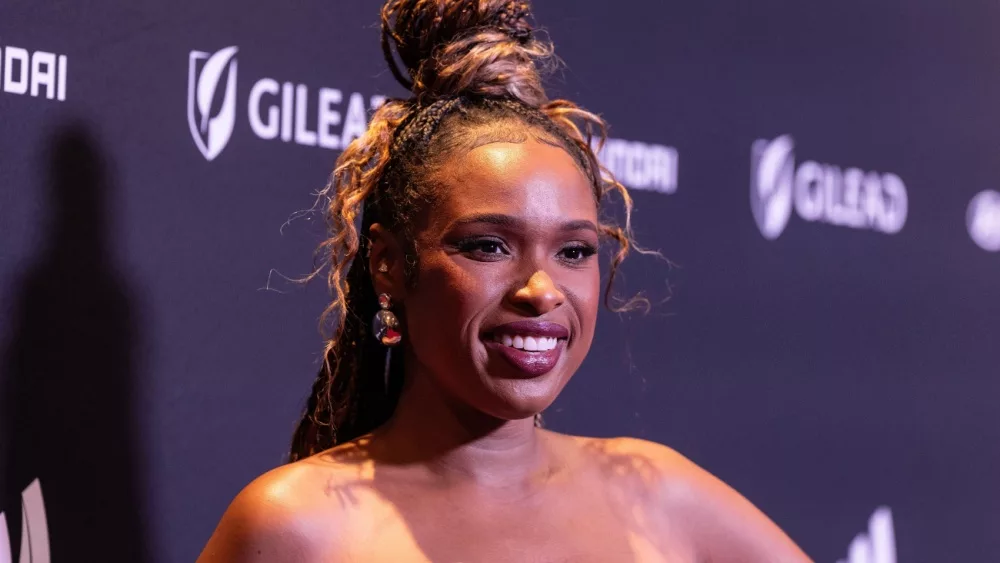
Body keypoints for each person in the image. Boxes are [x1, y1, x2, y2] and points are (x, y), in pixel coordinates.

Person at [198, 0, 811, 560]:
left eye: (574, 251)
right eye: (488, 246)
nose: (541, 290)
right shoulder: (295, 527)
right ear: (388, 263)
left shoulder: (657, 493)